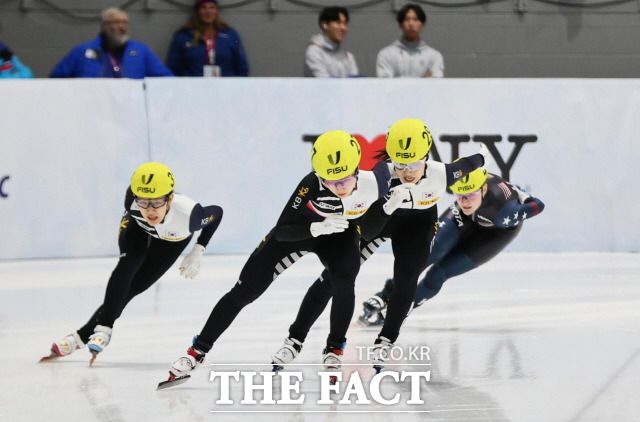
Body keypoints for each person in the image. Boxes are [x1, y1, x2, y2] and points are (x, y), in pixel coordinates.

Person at [159, 130, 390, 389]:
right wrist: (316, 228)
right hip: (300, 233)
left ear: (357, 170)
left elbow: (391, 184)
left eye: (344, 181)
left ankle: (335, 349)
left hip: (340, 233)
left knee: (345, 283)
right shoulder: (311, 184)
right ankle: (196, 351)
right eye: (329, 182)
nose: (338, 188)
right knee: (244, 292)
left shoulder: (378, 180)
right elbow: (282, 231)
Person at [269, 118, 489, 373]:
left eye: (415, 163)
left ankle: (385, 340)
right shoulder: (381, 174)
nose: (407, 172)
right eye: (401, 164)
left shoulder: (444, 173)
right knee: (332, 278)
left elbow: (471, 163)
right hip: (380, 221)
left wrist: (482, 154)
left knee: (406, 281)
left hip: (417, 228)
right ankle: (295, 339)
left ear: (427, 157)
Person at [40, 162, 223, 364]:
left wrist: (198, 249)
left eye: (156, 203)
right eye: (143, 202)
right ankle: (104, 329)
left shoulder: (191, 215)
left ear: (170, 198)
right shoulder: (132, 203)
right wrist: (105, 323)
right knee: (128, 264)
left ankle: (80, 337)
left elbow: (218, 213)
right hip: (137, 229)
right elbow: (141, 210)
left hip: (173, 240)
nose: (149, 210)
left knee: (135, 287)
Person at [360, 168, 545, 334]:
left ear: (484, 189)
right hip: (468, 218)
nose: (464, 201)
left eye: (469, 196)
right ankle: (385, 295)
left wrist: (524, 196)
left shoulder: (505, 213)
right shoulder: (466, 197)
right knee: (429, 252)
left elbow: (538, 205)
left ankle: (398, 311)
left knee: (437, 274)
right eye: (459, 195)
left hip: (496, 233)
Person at [49, 7, 173, 78]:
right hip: (92, 111)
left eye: (125, 22)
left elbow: (166, 78)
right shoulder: (82, 52)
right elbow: (56, 80)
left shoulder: (140, 51)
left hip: (129, 109)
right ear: (103, 26)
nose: (122, 27)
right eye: (116, 22)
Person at [166, 0, 249, 77]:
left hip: (224, 89)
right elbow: (172, 68)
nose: (208, 12)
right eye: (203, 8)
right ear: (197, 11)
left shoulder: (231, 35)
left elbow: (242, 68)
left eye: (212, 7)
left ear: (217, 11)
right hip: (192, 89)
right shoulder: (183, 36)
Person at [376, 3, 444, 78]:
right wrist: (423, 80)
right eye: (406, 19)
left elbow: (435, 85)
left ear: (423, 24)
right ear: (400, 24)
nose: (411, 24)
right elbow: (386, 85)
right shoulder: (387, 54)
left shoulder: (434, 56)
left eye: (415, 19)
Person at [304, 6, 360, 78]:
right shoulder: (314, 51)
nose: (343, 28)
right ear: (325, 25)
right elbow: (324, 83)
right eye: (338, 22)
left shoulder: (348, 56)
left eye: (345, 23)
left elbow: (355, 85)